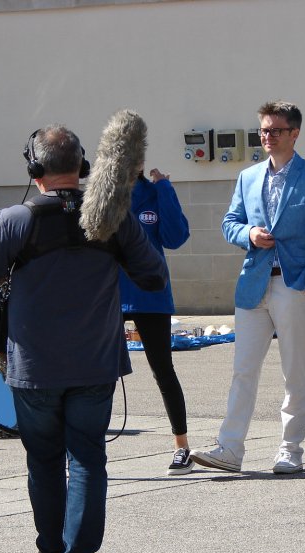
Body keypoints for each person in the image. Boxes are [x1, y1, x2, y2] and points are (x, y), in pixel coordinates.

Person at [0, 124, 166, 553]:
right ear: (83, 168)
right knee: (89, 462)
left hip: (34, 368)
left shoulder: (16, 218)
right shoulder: (113, 217)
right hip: (95, 363)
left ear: (34, 170)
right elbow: (153, 277)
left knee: (45, 464)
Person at [191, 100, 305, 474]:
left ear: (294, 133)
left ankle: (291, 449)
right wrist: (249, 233)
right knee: (243, 369)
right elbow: (229, 222)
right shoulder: (249, 176)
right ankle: (230, 448)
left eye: (275, 130)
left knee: (294, 370)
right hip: (253, 284)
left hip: (293, 286)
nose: (267, 137)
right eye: (263, 130)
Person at [120, 167, 192, 475]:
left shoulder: (153, 193)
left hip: (151, 294)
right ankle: (86, 447)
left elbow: (175, 238)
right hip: (112, 293)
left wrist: (165, 188)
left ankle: (182, 446)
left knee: (163, 370)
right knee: (98, 373)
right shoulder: (105, 195)